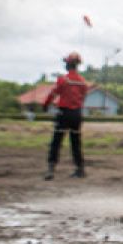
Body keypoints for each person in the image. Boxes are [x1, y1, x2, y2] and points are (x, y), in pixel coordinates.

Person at [43, 51, 90, 180]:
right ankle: (80, 169)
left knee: (56, 141)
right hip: (77, 114)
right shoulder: (83, 82)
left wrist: (45, 105)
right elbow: (83, 96)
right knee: (75, 142)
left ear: (68, 64)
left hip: (63, 113)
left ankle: (51, 170)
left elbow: (53, 94)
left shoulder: (63, 80)